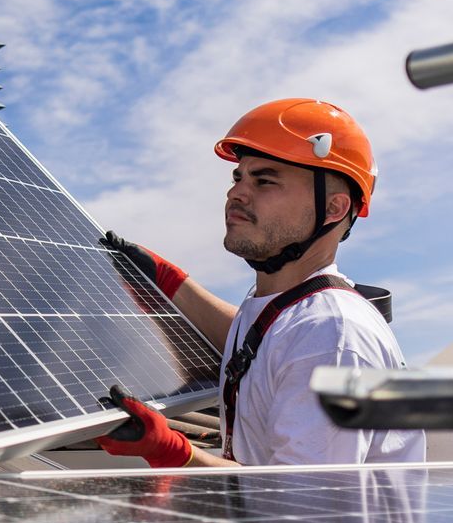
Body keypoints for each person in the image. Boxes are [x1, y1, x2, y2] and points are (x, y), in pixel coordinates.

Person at [97, 98, 424, 468]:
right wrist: (170, 284)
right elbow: (265, 347)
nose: (236, 193)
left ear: (333, 209)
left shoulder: (331, 334)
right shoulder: (289, 310)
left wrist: (173, 453)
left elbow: (300, 509)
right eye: (239, 177)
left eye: (265, 181)